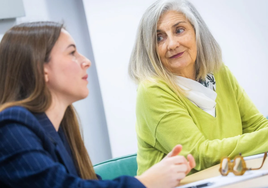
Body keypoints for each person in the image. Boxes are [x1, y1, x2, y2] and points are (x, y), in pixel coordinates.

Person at [0, 22, 196, 188]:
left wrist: (160, 175)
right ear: (41, 69)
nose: (86, 61)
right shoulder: (11, 124)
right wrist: (146, 182)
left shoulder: (61, 127)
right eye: (72, 53)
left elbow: (87, 182)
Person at [129, 0, 268, 176]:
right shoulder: (151, 91)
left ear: (197, 32)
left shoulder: (219, 72)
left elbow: (257, 126)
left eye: (179, 30)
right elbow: (201, 155)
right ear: (150, 49)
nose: (172, 44)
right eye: (159, 38)